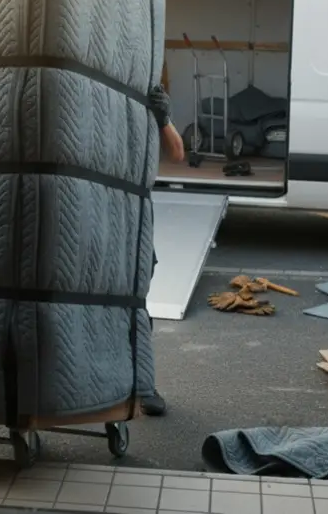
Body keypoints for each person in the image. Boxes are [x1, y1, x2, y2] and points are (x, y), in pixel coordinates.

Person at [142, 83, 184, 417]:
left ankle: (143, 384)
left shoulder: (145, 96)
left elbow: (178, 153)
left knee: (137, 302)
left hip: (136, 212)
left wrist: (164, 119)